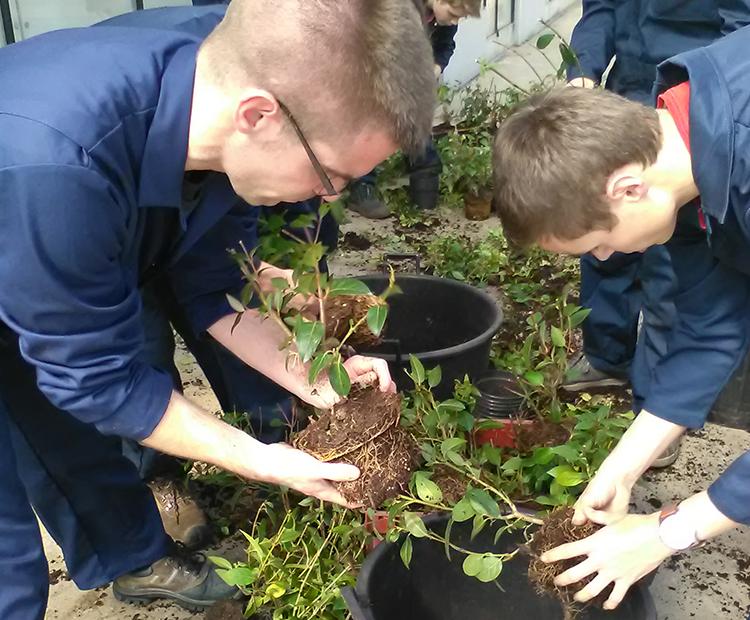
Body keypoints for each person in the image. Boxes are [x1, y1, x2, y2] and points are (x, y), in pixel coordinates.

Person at [0, 1, 436, 618]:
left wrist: (310, 377)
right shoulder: (60, 166)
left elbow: (211, 285)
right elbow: (100, 381)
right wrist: (262, 461)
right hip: (23, 203)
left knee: (66, 435)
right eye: (329, 174)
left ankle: (133, 559)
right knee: (7, 565)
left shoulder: (220, 90)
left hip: (34, 253)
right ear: (258, 115)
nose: (329, 197)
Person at [492, 25, 750, 610]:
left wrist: (667, 532)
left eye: (598, 244)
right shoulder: (683, 153)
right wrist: (623, 467)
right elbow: (709, 328)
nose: (606, 260)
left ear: (627, 188)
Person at [563, 1, 748, 397]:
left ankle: (658, 395)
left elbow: (740, 29)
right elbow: (600, 8)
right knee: (603, 240)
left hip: (699, 101)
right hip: (625, 95)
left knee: (672, 273)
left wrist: (720, 104)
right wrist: (581, 74)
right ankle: (606, 356)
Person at [347, 0, 482, 219]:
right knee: (369, 123)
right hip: (370, 64)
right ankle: (363, 186)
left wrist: (434, 68)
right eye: (454, 14)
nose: (455, 20)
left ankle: (424, 171)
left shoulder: (443, 18)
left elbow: (445, 46)